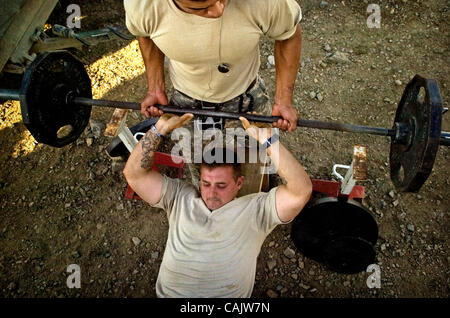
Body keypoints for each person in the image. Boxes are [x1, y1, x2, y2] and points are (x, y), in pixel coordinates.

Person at [123, 113, 312, 297]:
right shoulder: (179, 197)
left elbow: (300, 191)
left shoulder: (257, 210)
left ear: (239, 183)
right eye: (206, 184)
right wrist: (159, 129)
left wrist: (267, 139)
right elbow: (134, 175)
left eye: (221, 186)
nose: (211, 193)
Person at [124, 0, 302, 132]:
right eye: (201, 8)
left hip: (246, 94)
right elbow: (145, 34)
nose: (218, 11)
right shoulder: (142, 5)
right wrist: (155, 88)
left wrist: (284, 100)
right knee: (199, 162)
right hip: (185, 100)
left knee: (257, 157)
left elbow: (288, 33)